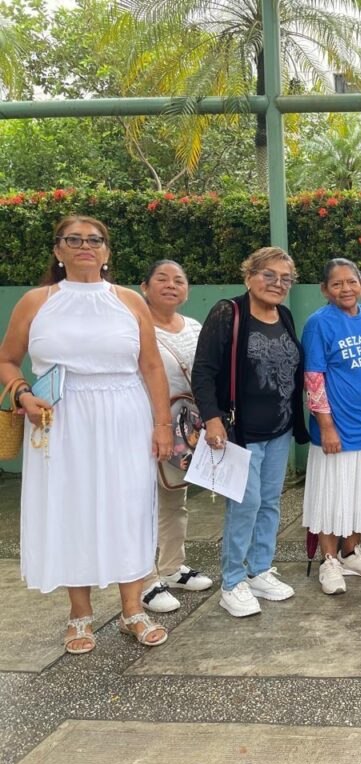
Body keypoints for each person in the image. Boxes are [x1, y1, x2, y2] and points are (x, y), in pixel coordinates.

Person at [0, 215, 172, 652]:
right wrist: (22, 394)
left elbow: (152, 366)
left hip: (124, 415)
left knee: (129, 507)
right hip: (60, 418)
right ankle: (80, 615)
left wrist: (162, 424)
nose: (85, 246)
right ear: (57, 249)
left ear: (107, 251)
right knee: (70, 506)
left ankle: (132, 610)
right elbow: (7, 360)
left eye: (94, 240)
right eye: (73, 239)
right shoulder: (36, 301)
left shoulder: (129, 301)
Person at [192, 247, 309, 618]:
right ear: (249, 276)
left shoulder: (283, 315)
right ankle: (232, 582)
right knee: (246, 504)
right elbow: (203, 371)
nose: (278, 284)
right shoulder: (229, 313)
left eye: (286, 278)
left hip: (279, 428)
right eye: (269, 275)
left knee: (271, 501)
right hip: (241, 432)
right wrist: (212, 418)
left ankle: (259, 570)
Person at [302, 259, 361, 595]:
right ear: (325, 290)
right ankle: (329, 560)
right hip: (337, 429)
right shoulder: (318, 323)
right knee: (332, 495)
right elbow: (314, 378)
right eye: (337, 284)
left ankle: (351, 552)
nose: (346, 289)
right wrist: (326, 426)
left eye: (351, 281)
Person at [139, 260, 214, 613]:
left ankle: (171, 567)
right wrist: (158, 424)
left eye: (179, 280)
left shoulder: (194, 327)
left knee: (175, 497)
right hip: (144, 425)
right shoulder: (135, 326)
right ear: (144, 287)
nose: (171, 285)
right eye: (162, 279)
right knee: (140, 503)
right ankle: (144, 579)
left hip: (186, 428)